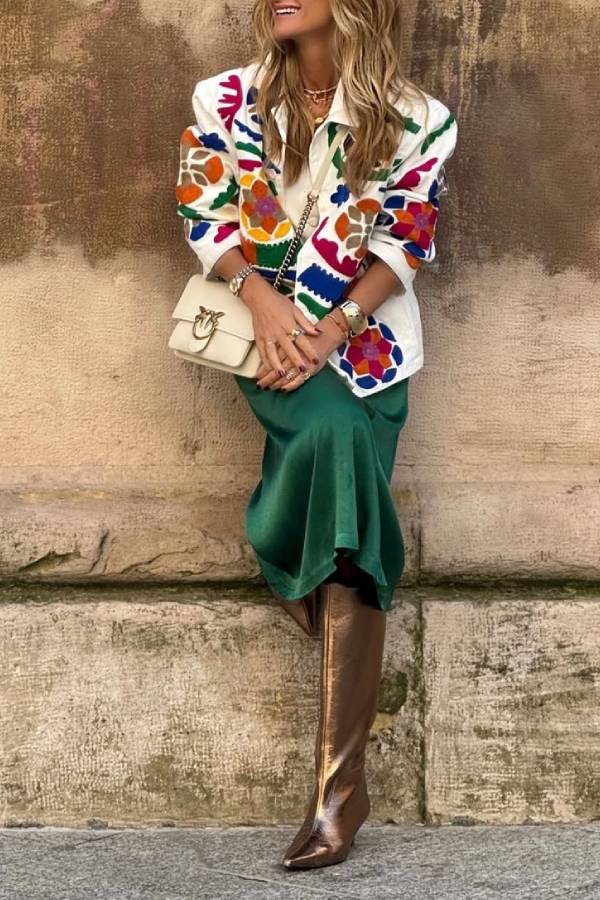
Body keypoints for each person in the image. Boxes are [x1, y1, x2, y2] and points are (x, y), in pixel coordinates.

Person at [175, 0, 458, 870]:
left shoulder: (419, 119)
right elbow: (203, 210)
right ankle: (343, 789)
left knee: (346, 528)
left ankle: (339, 791)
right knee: (336, 481)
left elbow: (406, 240)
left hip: (367, 353)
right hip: (266, 348)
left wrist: (331, 331)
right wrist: (263, 304)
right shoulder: (225, 99)